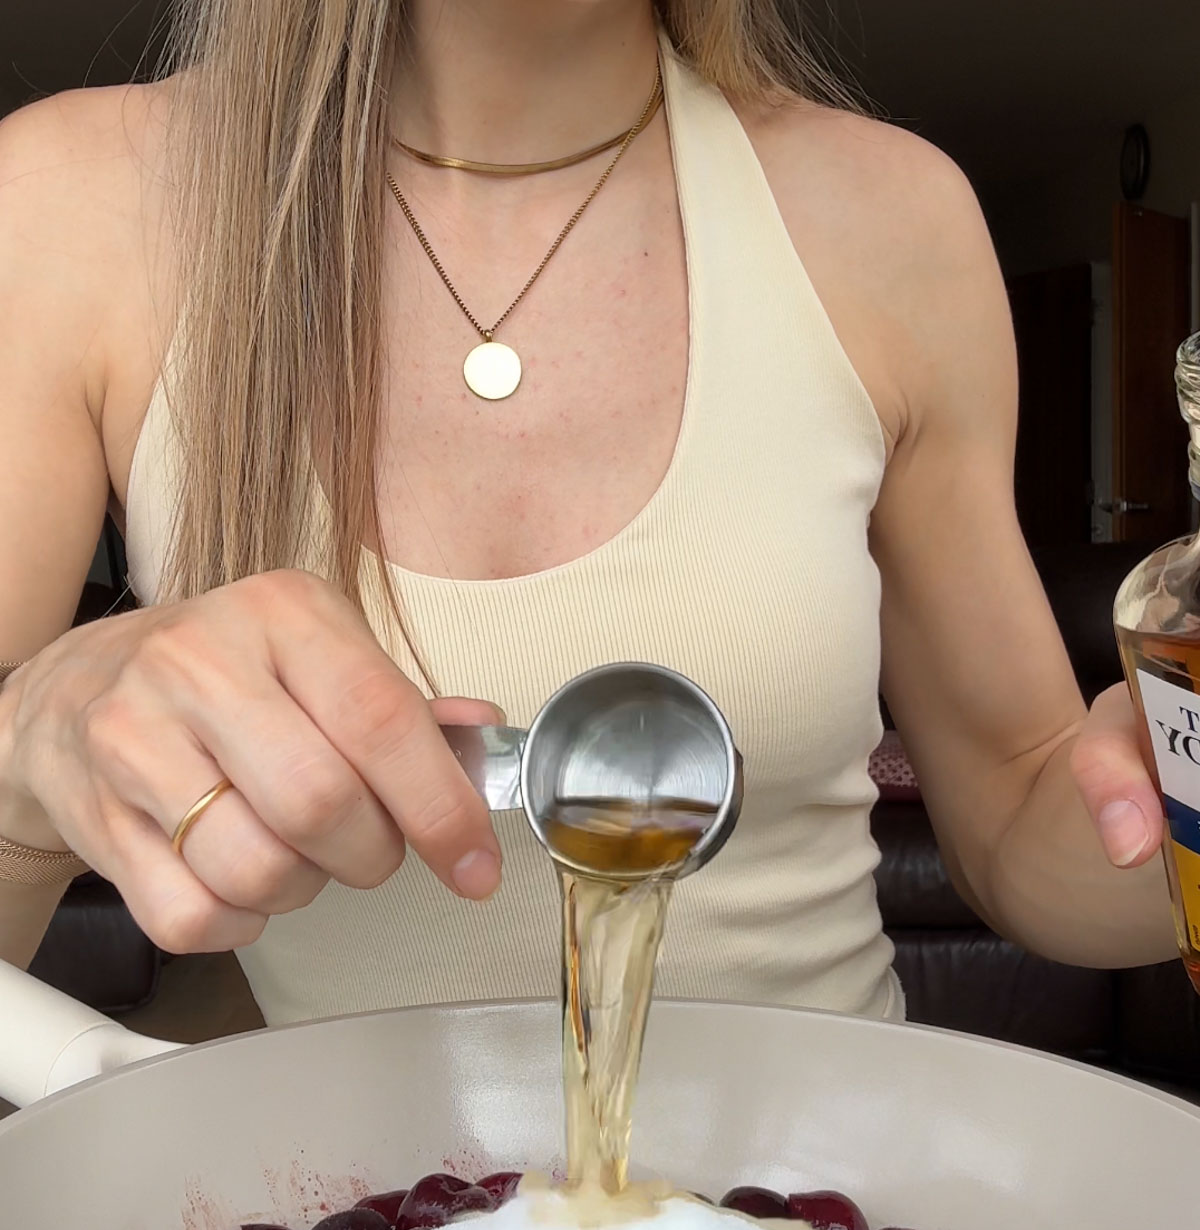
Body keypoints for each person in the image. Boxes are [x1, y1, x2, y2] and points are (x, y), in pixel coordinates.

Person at [0, 0, 1177, 1027]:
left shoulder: (895, 217)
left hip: (822, 1227)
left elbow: (1020, 813)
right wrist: (29, 748)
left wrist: (1176, 811)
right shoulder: (69, 203)